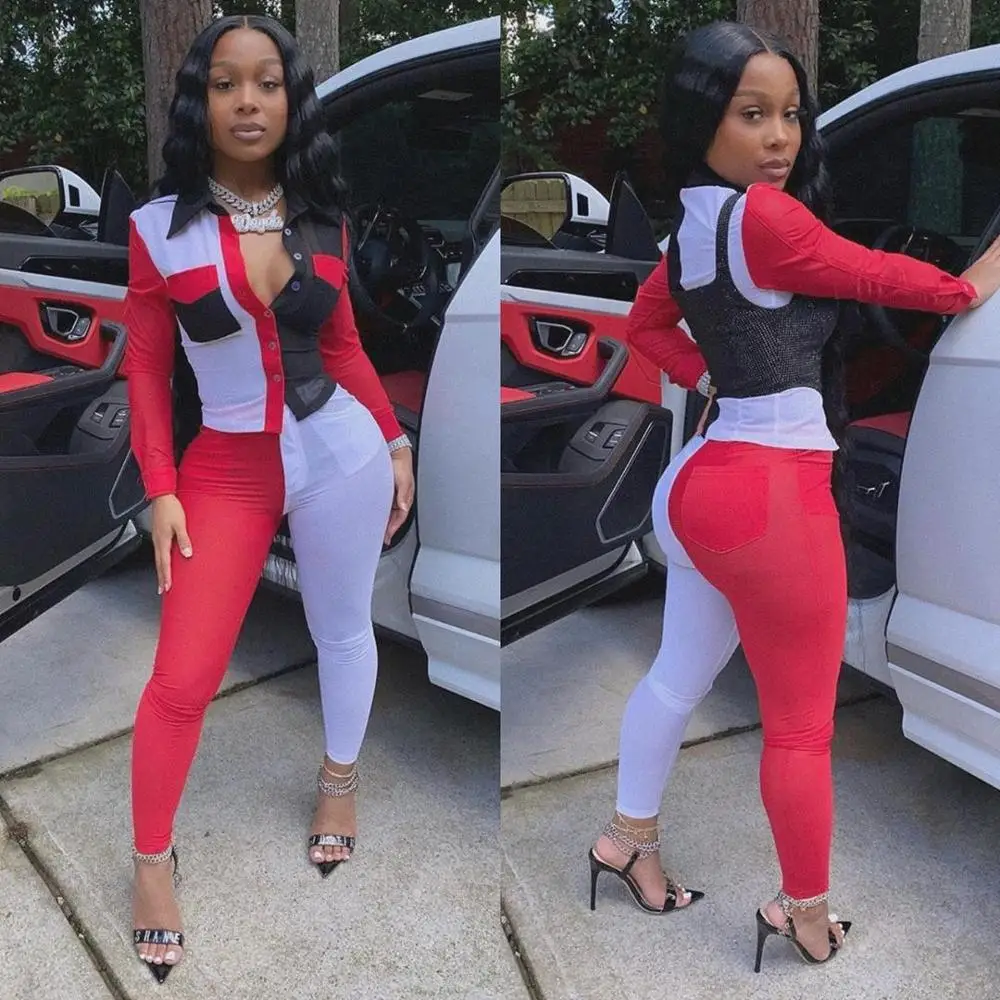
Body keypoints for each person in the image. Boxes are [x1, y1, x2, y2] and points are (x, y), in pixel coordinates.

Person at [587, 19, 1000, 971]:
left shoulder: (694, 227)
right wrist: (973, 277)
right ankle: (804, 914)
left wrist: (713, 379)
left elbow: (647, 325)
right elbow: (881, 276)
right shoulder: (767, 221)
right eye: (753, 115)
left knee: (676, 678)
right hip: (771, 495)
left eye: (791, 115)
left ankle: (626, 841)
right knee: (802, 729)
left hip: (702, 485)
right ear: (703, 121)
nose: (781, 137)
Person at [123, 15, 415, 982]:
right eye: (225, 84)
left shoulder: (323, 216)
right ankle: (151, 863)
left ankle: (339, 781)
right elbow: (147, 369)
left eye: (267, 83)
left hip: (341, 450)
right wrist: (161, 489)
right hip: (225, 468)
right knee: (181, 679)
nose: (247, 102)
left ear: (292, 100)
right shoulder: (156, 231)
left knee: (343, 629)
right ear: (198, 101)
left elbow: (343, 345)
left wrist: (394, 439)